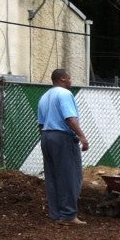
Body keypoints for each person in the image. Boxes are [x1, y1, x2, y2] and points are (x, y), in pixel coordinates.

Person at [37, 68, 89, 225]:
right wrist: (82, 137)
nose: (71, 81)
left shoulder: (44, 97)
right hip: (62, 138)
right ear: (62, 80)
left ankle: (56, 214)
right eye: (69, 78)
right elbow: (70, 118)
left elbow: (40, 124)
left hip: (46, 137)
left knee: (52, 177)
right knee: (69, 176)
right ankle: (68, 215)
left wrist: (49, 138)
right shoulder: (64, 94)